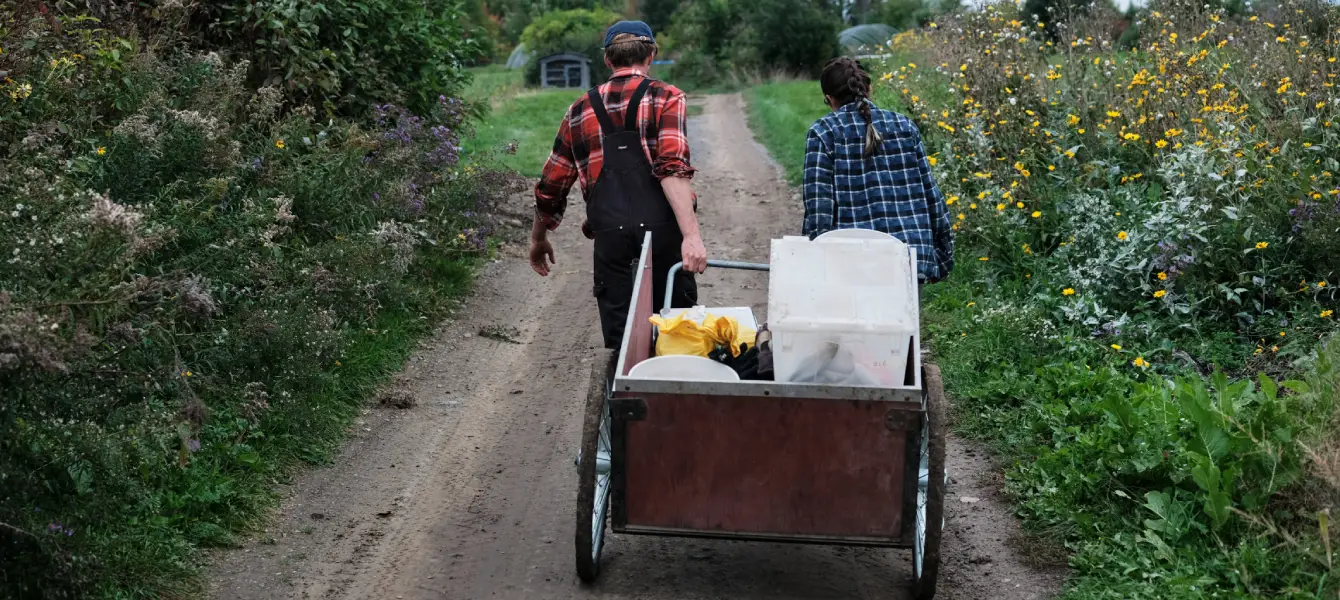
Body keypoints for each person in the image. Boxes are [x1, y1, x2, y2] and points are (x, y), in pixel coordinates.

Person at [530, 20, 707, 350]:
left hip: (611, 239)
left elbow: (551, 185)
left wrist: (539, 238)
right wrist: (692, 236)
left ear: (608, 60)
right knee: (676, 337)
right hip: (665, 236)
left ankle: (624, 397)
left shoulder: (579, 110)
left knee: (623, 346)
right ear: (651, 55)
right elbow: (672, 170)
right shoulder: (668, 98)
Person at [801, 57, 954, 283]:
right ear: (869, 89)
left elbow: (819, 209)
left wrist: (811, 260)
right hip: (910, 259)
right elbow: (931, 195)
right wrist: (941, 254)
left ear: (830, 99)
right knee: (904, 319)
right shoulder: (905, 126)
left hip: (851, 264)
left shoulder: (824, 133)